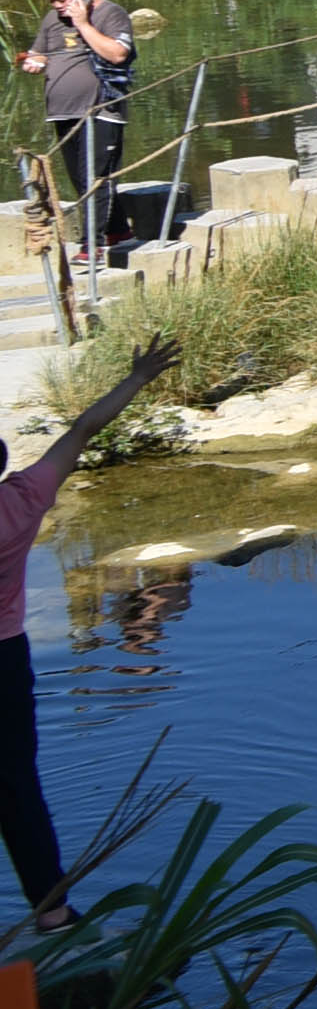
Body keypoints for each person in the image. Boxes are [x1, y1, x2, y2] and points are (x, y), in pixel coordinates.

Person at [0, 339, 178, 934]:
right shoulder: (22, 503)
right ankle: (53, 916)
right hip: (4, 663)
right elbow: (83, 428)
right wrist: (139, 377)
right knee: (17, 790)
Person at [19, 0, 134, 270]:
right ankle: (118, 231)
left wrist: (82, 23)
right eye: (52, 0)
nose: (58, 6)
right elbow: (39, 52)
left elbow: (118, 54)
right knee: (80, 180)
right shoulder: (51, 20)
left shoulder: (110, 13)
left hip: (101, 109)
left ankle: (91, 246)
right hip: (62, 112)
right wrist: (34, 62)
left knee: (94, 178)